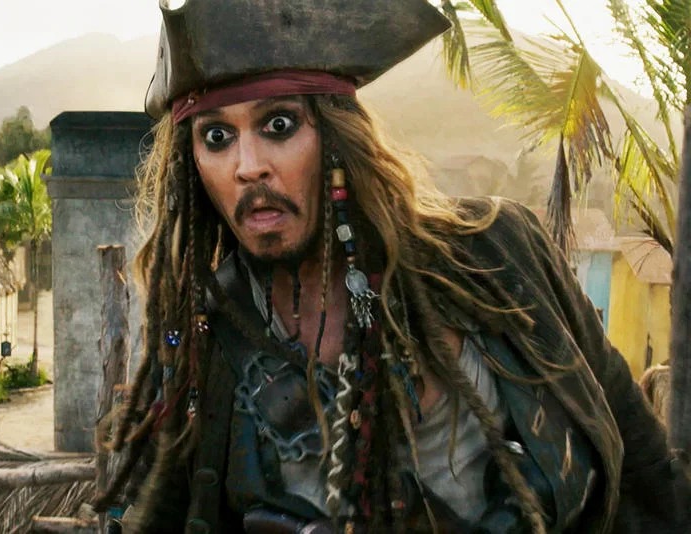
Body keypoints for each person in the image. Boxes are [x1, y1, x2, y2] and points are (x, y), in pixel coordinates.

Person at [97, 1, 691, 532]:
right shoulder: (211, 335)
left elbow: (644, 466)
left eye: (279, 125)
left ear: (337, 136)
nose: (247, 165)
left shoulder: (499, 254)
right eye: (217, 136)